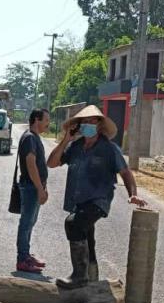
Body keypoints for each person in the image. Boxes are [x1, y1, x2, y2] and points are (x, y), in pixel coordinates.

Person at [47, 105, 147, 289]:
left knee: (73, 223)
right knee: (87, 238)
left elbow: (126, 173)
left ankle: (79, 276)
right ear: (78, 126)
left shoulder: (110, 149)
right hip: (79, 201)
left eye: (92, 121)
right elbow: (51, 163)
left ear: (100, 125)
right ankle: (92, 282)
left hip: (98, 200)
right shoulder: (75, 147)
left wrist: (133, 194)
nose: (88, 124)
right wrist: (65, 140)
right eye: (84, 122)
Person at [15, 108, 51, 273]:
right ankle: (22, 260)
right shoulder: (30, 137)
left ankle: (26, 255)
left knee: (30, 222)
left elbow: (39, 165)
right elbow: (30, 163)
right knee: (26, 223)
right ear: (37, 120)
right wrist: (39, 188)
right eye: (46, 120)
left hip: (34, 186)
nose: (48, 124)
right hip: (30, 187)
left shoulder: (34, 137)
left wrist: (43, 187)